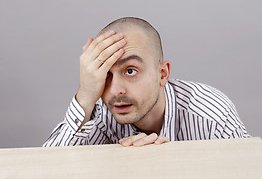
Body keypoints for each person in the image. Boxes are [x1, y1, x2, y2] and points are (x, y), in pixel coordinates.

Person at [43, 17, 250, 147]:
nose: (115, 90)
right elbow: (47, 175)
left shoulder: (212, 117)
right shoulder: (100, 114)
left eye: (130, 71)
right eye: (106, 73)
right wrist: (86, 96)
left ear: (162, 74)